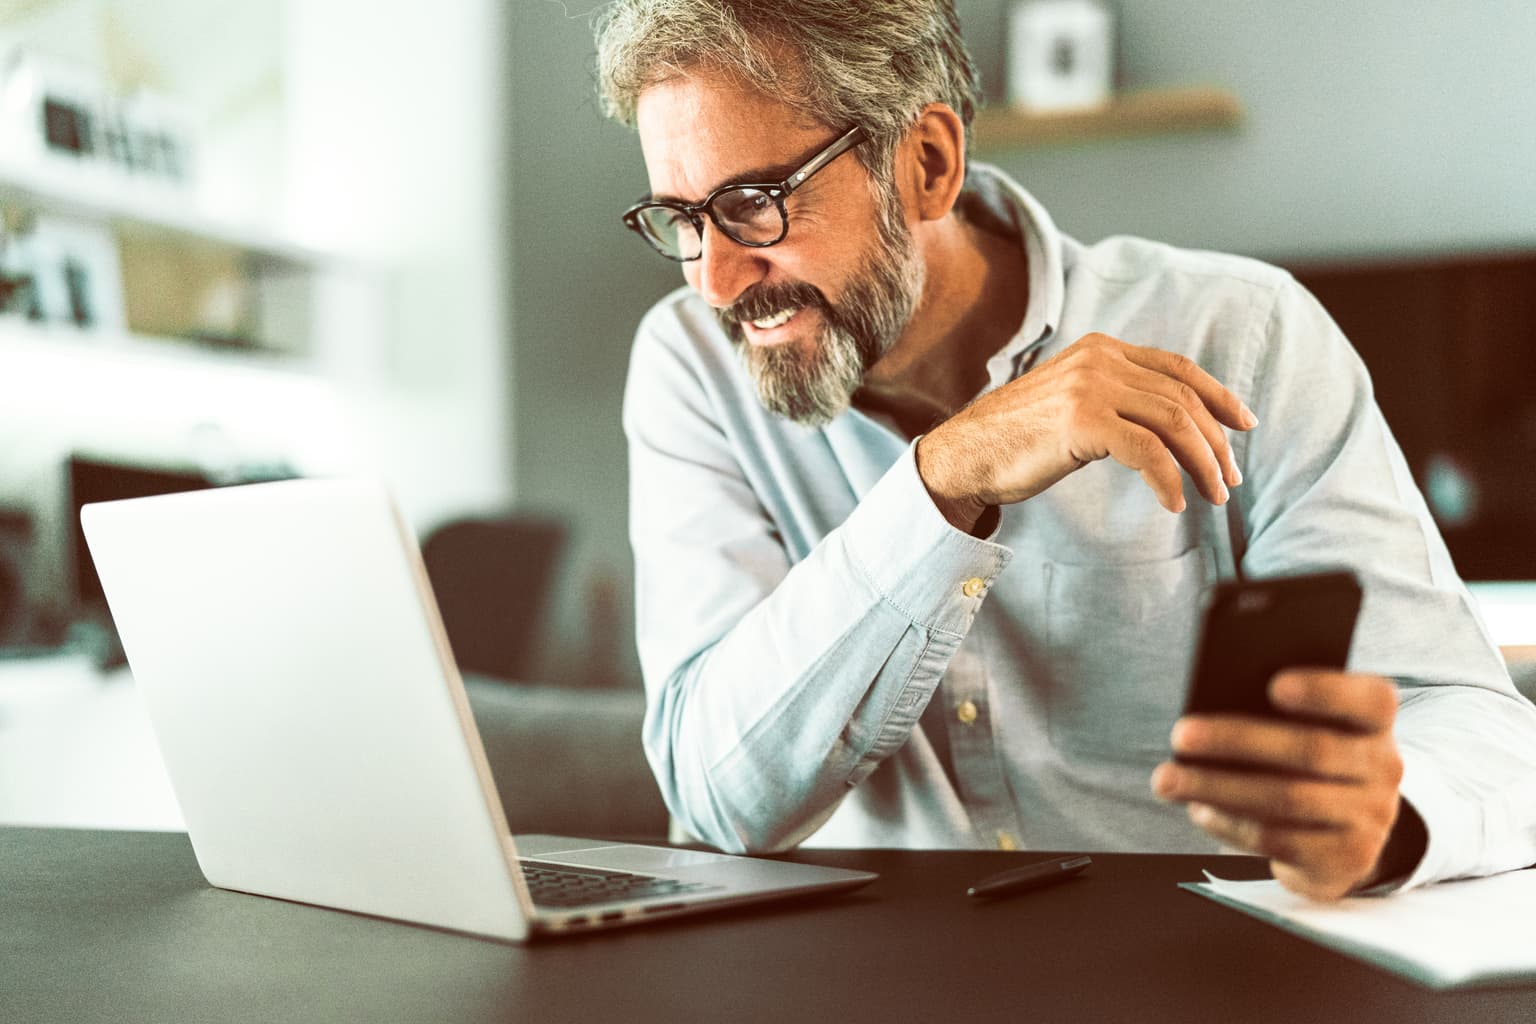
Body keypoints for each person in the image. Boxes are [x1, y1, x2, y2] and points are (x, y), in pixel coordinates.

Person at [595, 0, 1536, 901]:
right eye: (681, 220)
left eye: (754, 204)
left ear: (926, 162)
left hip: (1205, 972)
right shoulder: (691, 370)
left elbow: (1482, 727)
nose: (715, 282)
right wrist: (943, 478)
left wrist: (1388, 820)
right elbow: (718, 804)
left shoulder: (1243, 335)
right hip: (873, 981)